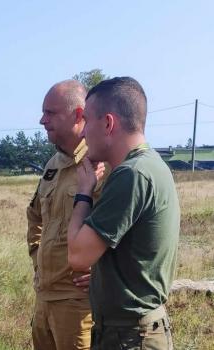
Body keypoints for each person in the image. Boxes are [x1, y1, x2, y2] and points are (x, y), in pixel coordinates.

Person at [67, 77, 179, 349]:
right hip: (132, 331)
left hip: (131, 336)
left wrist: (84, 191)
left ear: (108, 123)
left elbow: (78, 255)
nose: (82, 134)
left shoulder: (132, 175)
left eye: (87, 121)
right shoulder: (150, 166)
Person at [27, 80, 105, 350]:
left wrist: (104, 271)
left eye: (50, 113)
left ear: (79, 115)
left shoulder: (102, 164)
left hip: (78, 302)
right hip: (45, 297)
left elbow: (125, 229)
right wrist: (39, 259)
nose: (41, 120)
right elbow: (35, 216)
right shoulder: (53, 164)